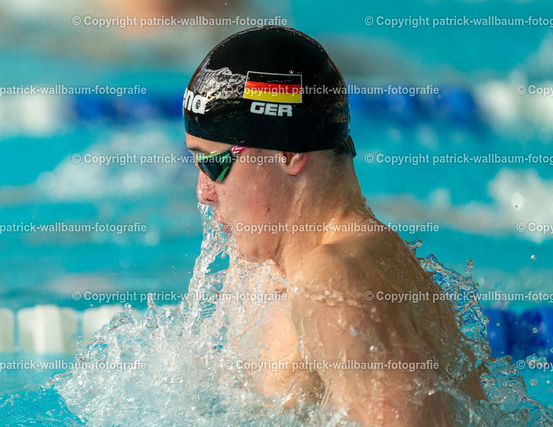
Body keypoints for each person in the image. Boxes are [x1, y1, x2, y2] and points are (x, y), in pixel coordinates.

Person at [183, 26, 486, 426]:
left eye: (213, 164)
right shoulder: (304, 267)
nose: (203, 192)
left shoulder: (333, 285)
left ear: (288, 152)